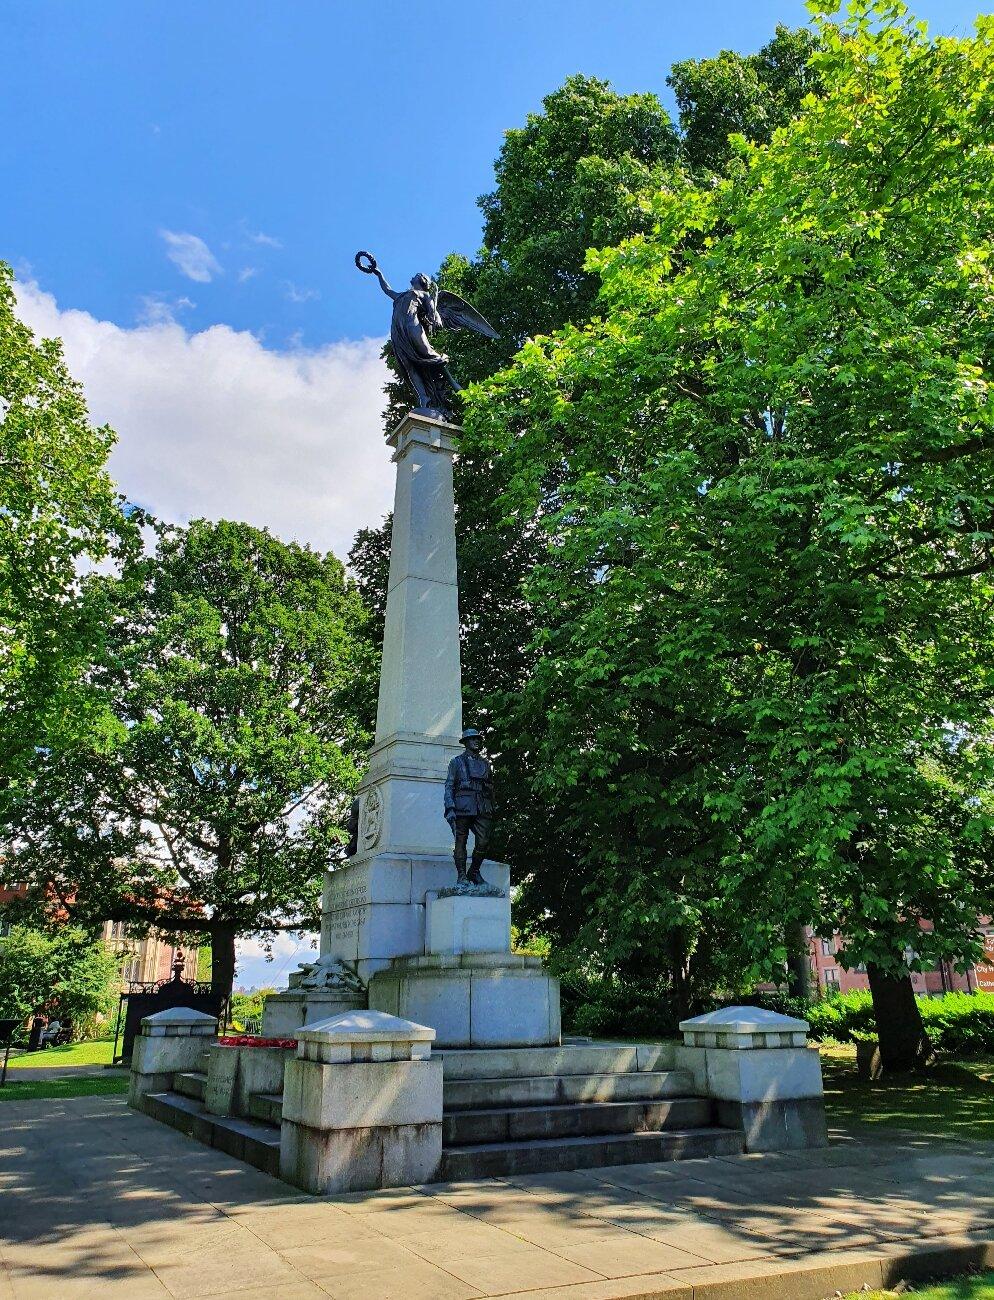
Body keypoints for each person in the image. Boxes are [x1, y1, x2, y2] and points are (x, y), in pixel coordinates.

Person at [444, 728, 495, 885]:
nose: (476, 741)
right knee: (461, 841)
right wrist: (450, 807)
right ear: (465, 742)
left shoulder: (485, 764)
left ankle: (473, 871)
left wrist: (492, 806)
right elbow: (449, 786)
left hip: (482, 806)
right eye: (473, 739)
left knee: (484, 841)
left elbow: (491, 787)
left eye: (478, 739)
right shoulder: (456, 762)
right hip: (463, 806)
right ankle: (461, 875)